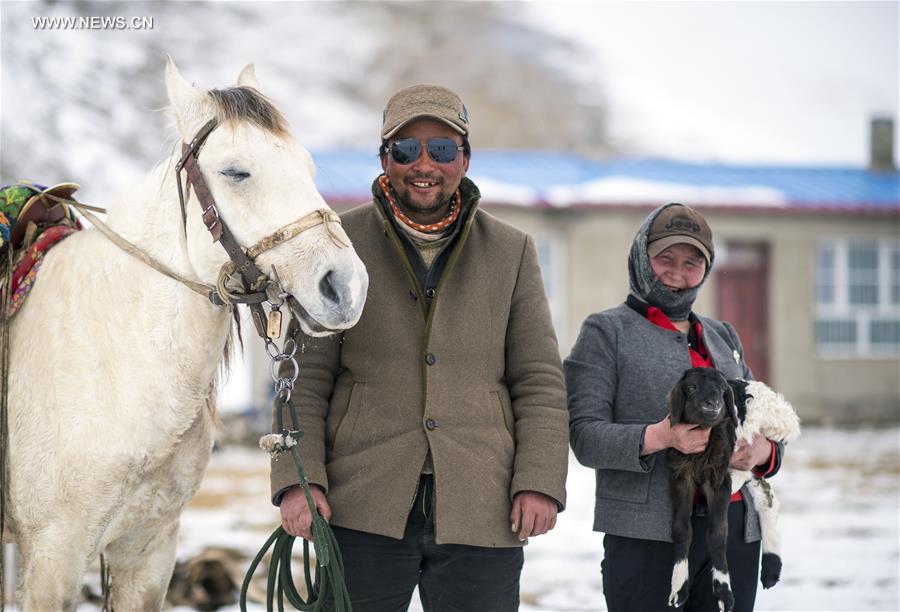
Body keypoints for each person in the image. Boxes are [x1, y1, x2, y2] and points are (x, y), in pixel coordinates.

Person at [270, 84, 569, 611]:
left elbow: (539, 381)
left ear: (466, 159)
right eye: (406, 150)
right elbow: (305, 380)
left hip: (484, 507)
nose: (424, 164)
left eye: (443, 149)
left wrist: (540, 482)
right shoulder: (338, 243)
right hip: (359, 505)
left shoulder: (512, 251)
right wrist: (300, 481)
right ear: (386, 159)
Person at [564, 202, 783, 612]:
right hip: (647, 536)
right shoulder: (605, 331)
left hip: (732, 531)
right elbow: (584, 436)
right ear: (641, 257)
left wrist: (765, 452)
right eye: (665, 258)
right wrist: (658, 437)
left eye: (692, 262)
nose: (678, 272)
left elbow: (763, 416)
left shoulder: (723, 336)